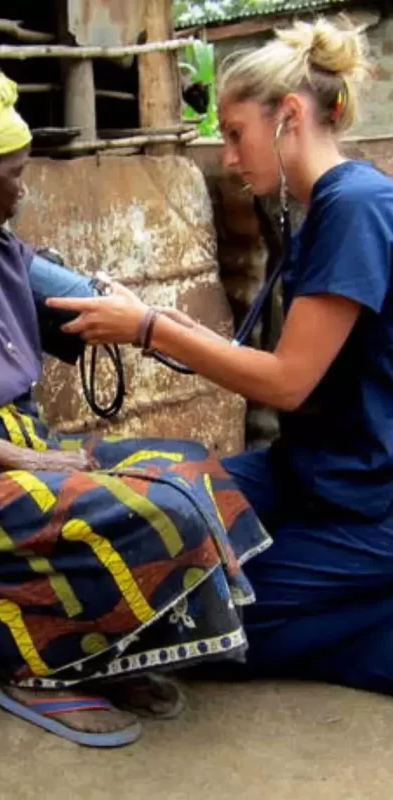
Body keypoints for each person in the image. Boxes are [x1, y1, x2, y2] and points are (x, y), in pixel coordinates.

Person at [0, 71, 269, 747]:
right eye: (14, 173)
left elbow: (75, 300)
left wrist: (135, 314)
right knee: (147, 508)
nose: (23, 187)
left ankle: (109, 648)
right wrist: (36, 459)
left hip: (16, 446)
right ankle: (39, 669)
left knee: (190, 469)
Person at [48, 16, 393, 696]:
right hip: (314, 471)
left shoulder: (356, 207)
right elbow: (298, 357)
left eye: (236, 134)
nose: (228, 158)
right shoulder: (325, 204)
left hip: (369, 500)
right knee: (161, 516)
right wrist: (166, 322)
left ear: (289, 115)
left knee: (205, 625)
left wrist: (149, 329)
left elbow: (289, 382)